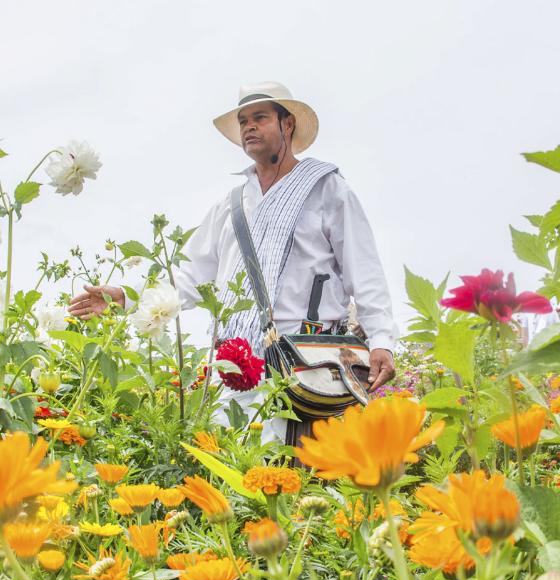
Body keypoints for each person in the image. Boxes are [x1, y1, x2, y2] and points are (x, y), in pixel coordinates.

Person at [69, 81, 398, 443]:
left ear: (287, 124)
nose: (249, 128)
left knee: (305, 483)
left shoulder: (328, 189)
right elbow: (191, 276)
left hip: (309, 365)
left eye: (260, 118)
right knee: (234, 480)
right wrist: (126, 296)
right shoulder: (232, 204)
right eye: (243, 121)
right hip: (236, 369)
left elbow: (363, 271)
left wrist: (381, 339)